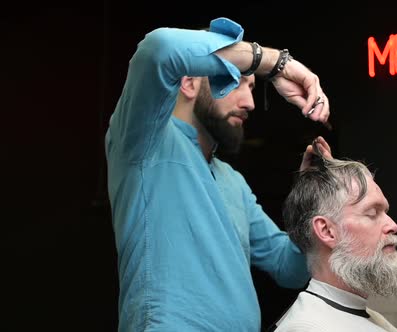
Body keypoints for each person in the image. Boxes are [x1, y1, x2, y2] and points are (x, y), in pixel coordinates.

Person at [105, 17, 331, 331]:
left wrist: (311, 198)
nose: (250, 102)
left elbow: (289, 267)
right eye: (235, 80)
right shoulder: (145, 140)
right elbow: (159, 49)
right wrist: (276, 64)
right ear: (188, 82)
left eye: (252, 87)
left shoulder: (232, 181)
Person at [272, 140, 397, 331]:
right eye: (372, 213)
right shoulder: (307, 327)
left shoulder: (364, 315)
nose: (392, 225)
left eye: (385, 212)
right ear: (327, 231)